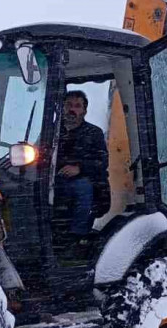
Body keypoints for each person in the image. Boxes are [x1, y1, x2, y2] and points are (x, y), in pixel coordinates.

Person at [55, 90, 110, 246]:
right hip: (54, 180)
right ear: (62, 107)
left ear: (84, 111)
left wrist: (79, 168)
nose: (72, 109)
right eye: (69, 105)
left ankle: (76, 238)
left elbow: (102, 161)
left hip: (85, 181)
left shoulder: (94, 133)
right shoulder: (52, 132)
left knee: (82, 187)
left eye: (77, 106)